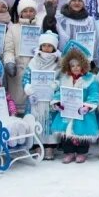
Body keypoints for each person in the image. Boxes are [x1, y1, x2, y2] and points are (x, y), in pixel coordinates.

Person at [50, 41, 99, 163]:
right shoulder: (65, 79)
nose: (76, 68)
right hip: (67, 111)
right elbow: (59, 92)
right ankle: (69, 152)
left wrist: (87, 106)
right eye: (73, 66)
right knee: (66, 133)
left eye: (78, 65)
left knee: (82, 132)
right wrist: (57, 103)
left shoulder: (91, 79)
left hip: (83, 112)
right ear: (68, 67)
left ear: (83, 65)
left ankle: (81, 152)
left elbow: (94, 94)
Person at [22, 31, 61, 160]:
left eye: (49, 46)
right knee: (36, 120)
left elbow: (61, 78)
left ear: (54, 47)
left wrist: (56, 85)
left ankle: (50, 146)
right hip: (36, 99)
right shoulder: (33, 61)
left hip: (49, 99)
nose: (46, 48)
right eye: (44, 45)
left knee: (49, 122)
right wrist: (27, 87)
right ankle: (36, 145)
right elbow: (26, 77)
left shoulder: (57, 63)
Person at [2, 0, 39, 113]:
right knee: (17, 103)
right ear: (20, 13)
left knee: (33, 103)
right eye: (25, 11)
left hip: (35, 70)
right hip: (18, 70)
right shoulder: (13, 29)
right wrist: (9, 62)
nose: (28, 13)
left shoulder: (39, 28)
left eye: (31, 10)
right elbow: (8, 49)